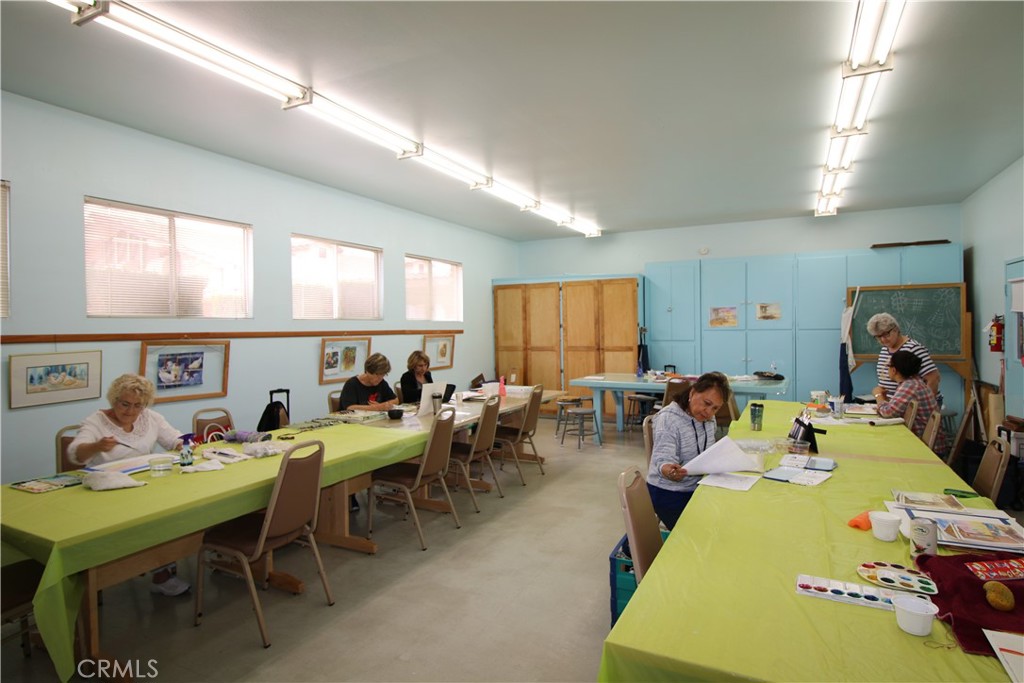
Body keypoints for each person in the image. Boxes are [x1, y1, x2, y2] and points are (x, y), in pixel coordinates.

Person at [67, 373, 190, 596]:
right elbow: (75, 453)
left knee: (174, 510)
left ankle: (163, 568)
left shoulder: (150, 418)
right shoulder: (96, 421)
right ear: (113, 400)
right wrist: (96, 446)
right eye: (124, 404)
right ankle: (153, 571)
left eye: (138, 406)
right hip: (107, 493)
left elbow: (174, 438)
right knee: (153, 519)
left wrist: (183, 445)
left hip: (143, 485)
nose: (130, 411)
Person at [645, 371, 731, 530]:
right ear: (692, 392)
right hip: (668, 491)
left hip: (697, 486)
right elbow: (662, 459)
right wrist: (669, 470)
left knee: (727, 517)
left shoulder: (708, 419)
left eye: (715, 408)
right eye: (706, 403)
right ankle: (632, 548)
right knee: (698, 532)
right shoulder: (669, 419)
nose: (709, 412)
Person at [876, 351, 947, 454]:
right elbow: (896, 409)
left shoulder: (909, 386)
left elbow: (888, 413)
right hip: (925, 442)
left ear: (894, 370)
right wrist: (885, 400)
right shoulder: (914, 382)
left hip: (928, 449)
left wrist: (878, 396)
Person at [866, 312, 941, 405]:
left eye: (886, 335)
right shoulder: (885, 349)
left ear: (896, 329)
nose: (883, 340)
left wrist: (925, 405)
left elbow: (933, 378)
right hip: (892, 404)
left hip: (912, 405)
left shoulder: (913, 348)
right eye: (878, 337)